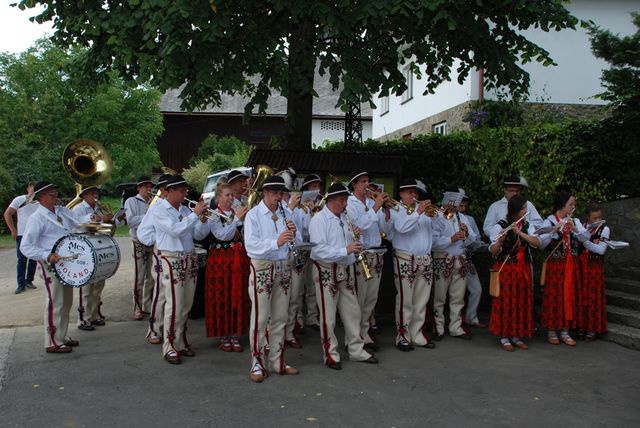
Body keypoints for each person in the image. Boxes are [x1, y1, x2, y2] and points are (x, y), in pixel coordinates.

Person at [309, 182, 379, 370]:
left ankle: (356, 349)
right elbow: (319, 251)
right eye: (342, 200)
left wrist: (354, 238)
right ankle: (330, 353)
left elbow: (349, 244)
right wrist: (345, 249)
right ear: (331, 200)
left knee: (353, 312)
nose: (345, 204)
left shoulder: (343, 217)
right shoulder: (319, 219)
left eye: (346, 200)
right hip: (326, 271)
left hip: (344, 270)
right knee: (328, 317)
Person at [243, 175, 300, 382]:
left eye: (281, 193)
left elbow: (297, 241)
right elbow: (251, 246)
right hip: (263, 268)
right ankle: (257, 362)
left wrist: (294, 233)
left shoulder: (285, 212)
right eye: (276, 193)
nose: (280, 197)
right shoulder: (254, 215)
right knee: (259, 318)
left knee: (280, 318)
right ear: (266, 194)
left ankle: (277, 360)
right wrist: (276, 242)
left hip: (283, 267)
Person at [20, 181, 82, 353]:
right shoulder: (36, 218)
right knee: (55, 302)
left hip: (67, 263)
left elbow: (78, 221)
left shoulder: (61, 211)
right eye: (50, 193)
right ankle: (52, 341)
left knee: (66, 302)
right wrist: (47, 254)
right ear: (40, 197)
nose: (55, 194)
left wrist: (94, 218)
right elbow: (25, 247)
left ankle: (62, 335)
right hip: (51, 264)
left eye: (55, 191)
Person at [151, 175, 207, 364]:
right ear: (169, 191)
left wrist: (202, 219)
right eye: (181, 190)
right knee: (174, 305)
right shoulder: (159, 210)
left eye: (185, 190)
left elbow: (198, 234)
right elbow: (176, 230)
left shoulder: (184, 209)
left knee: (186, 306)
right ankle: (169, 345)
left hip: (189, 258)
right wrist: (194, 215)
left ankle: (181, 340)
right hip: (172, 258)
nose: (185, 194)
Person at [390, 178, 445, 351]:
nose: (414, 195)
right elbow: (401, 228)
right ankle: (402, 336)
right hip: (405, 258)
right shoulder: (397, 208)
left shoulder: (425, 212)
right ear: (401, 194)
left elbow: (442, 228)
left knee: (421, 300)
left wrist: (435, 215)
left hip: (425, 259)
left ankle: (417, 333)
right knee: (405, 300)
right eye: (410, 192)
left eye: (415, 192)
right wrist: (417, 213)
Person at [196, 182, 249, 352]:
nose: (230, 198)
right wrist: (237, 220)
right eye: (226, 195)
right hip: (220, 260)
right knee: (222, 295)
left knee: (237, 294)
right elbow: (222, 235)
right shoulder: (213, 215)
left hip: (237, 258)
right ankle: (224, 334)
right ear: (218, 198)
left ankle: (235, 333)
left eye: (231, 195)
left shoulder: (237, 213)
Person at [488, 195, 540, 351]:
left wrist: (520, 233)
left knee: (520, 302)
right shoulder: (501, 225)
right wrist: (500, 241)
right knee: (506, 303)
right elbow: (493, 251)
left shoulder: (527, 225)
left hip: (522, 270)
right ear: (516, 210)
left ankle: (517, 335)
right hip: (507, 270)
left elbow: (537, 243)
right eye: (524, 208)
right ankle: (505, 336)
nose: (526, 210)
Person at [539, 189, 589, 346]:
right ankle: (552, 330)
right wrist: (555, 230)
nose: (573, 207)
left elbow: (585, 237)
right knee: (555, 296)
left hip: (571, 265)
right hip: (556, 266)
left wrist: (573, 228)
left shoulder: (575, 221)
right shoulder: (550, 220)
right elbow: (541, 243)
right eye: (571, 204)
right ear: (562, 205)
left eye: (574, 204)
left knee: (569, 295)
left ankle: (565, 331)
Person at [347, 171, 388, 352]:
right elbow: (358, 226)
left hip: (377, 254)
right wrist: (376, 208)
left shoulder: (372, 203)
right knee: (358, 299)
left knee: (371, 299)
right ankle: (353, 337)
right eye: (363, 181)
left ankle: (364, 333)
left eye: (368, 181)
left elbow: (385, 230)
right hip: (361, 255)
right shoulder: (349, 203)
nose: (367, 184)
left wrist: (386, 212)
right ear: (354, 184)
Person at [432, 189, 478, 340]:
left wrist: (467, 233)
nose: (455, 205)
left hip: (460, 259)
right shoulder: (436, 215)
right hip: (442, 259)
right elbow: (432, 242)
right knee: (439, 296)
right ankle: (438, 327)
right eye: (453, 202)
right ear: (446, 201)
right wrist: (451, 239)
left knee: (458, 297)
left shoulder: (462, 217)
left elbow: (473, 240)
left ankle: (456, 327)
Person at [137, 174, 173, 343]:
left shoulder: (179, 206)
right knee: (161, 292)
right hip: (162, 254)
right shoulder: (156, 206)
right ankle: (154, 329)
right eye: (167, 189)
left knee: (173, 296)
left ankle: (170, 330)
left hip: (177, 255)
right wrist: (160, 241)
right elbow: (143, 234)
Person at [72, 186, 113, 331]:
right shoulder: (78, 209)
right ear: (84, 195)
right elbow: (78, 226)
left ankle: (94, 315)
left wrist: (110, 220)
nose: (95, 195)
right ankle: (83, 319)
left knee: (98, 284)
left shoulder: (99, 207)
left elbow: (105, 227)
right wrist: (98, 218)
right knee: (87, 287)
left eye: (96, 193)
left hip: (98, 247)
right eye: (92, 193)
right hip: (85, 248)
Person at [293, 174, 322, 333]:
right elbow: (304, 227)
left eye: (318, 186)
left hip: (315, 248)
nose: (316, 189)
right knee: (299, 286)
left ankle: (312, 317)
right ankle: (298, 319)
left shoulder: (321, 205)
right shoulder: (299, 207)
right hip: (302, 247)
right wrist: (310, 212)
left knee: (312, 284)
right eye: (313, 186)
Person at [577, 202, 609, 342]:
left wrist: (585, 242)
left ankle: (592, 328)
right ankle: (580, 326)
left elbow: (601, 250)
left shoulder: (604, 229)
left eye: (599, 217)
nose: (597, 221)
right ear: (587, 217)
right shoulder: (582, 227)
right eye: (594, 218)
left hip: (594, 267)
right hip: (581, 265)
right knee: (580, 295)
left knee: (592, 296)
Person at [124, 176, 155, 321]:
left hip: (152, 243)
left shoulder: (153, 202)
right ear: (139, 188)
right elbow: (131, 221)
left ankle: (147, 306)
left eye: (150, 186)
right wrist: (149, 214)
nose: (149, 189)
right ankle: (137, 306)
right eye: (145, 186)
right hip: (138, 242)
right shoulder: (132, 201)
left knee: (151, 276)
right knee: (139, 276)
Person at [4, 182, 39, 294]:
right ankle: (21, 284)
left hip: (35, 234)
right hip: (22, 233)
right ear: (28, 188)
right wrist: (13, 230)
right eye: (32, 187)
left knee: (33, 258)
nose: (34, 190)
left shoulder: (39, 202)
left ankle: (29, 281)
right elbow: (7, 214)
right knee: (22, 259)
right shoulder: (20, 199)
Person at [458, 191, 485, 327]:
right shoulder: (445, 216)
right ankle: (453, 322)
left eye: (464, 206)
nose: (462, 208)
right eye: (460, 205)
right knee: (455, 293)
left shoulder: (469, 219)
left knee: (476, 289)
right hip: (451, 258)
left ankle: (471, 317)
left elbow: (476, 239)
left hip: (467, 258)